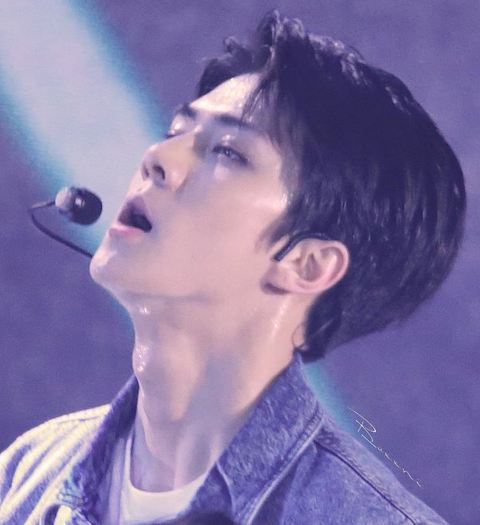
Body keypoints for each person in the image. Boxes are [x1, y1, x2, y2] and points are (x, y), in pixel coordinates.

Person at [0, 9, 465, 525]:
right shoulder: (28, 471)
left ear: (308, 265)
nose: (157, 157)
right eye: (175, 131)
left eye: (227, 151)